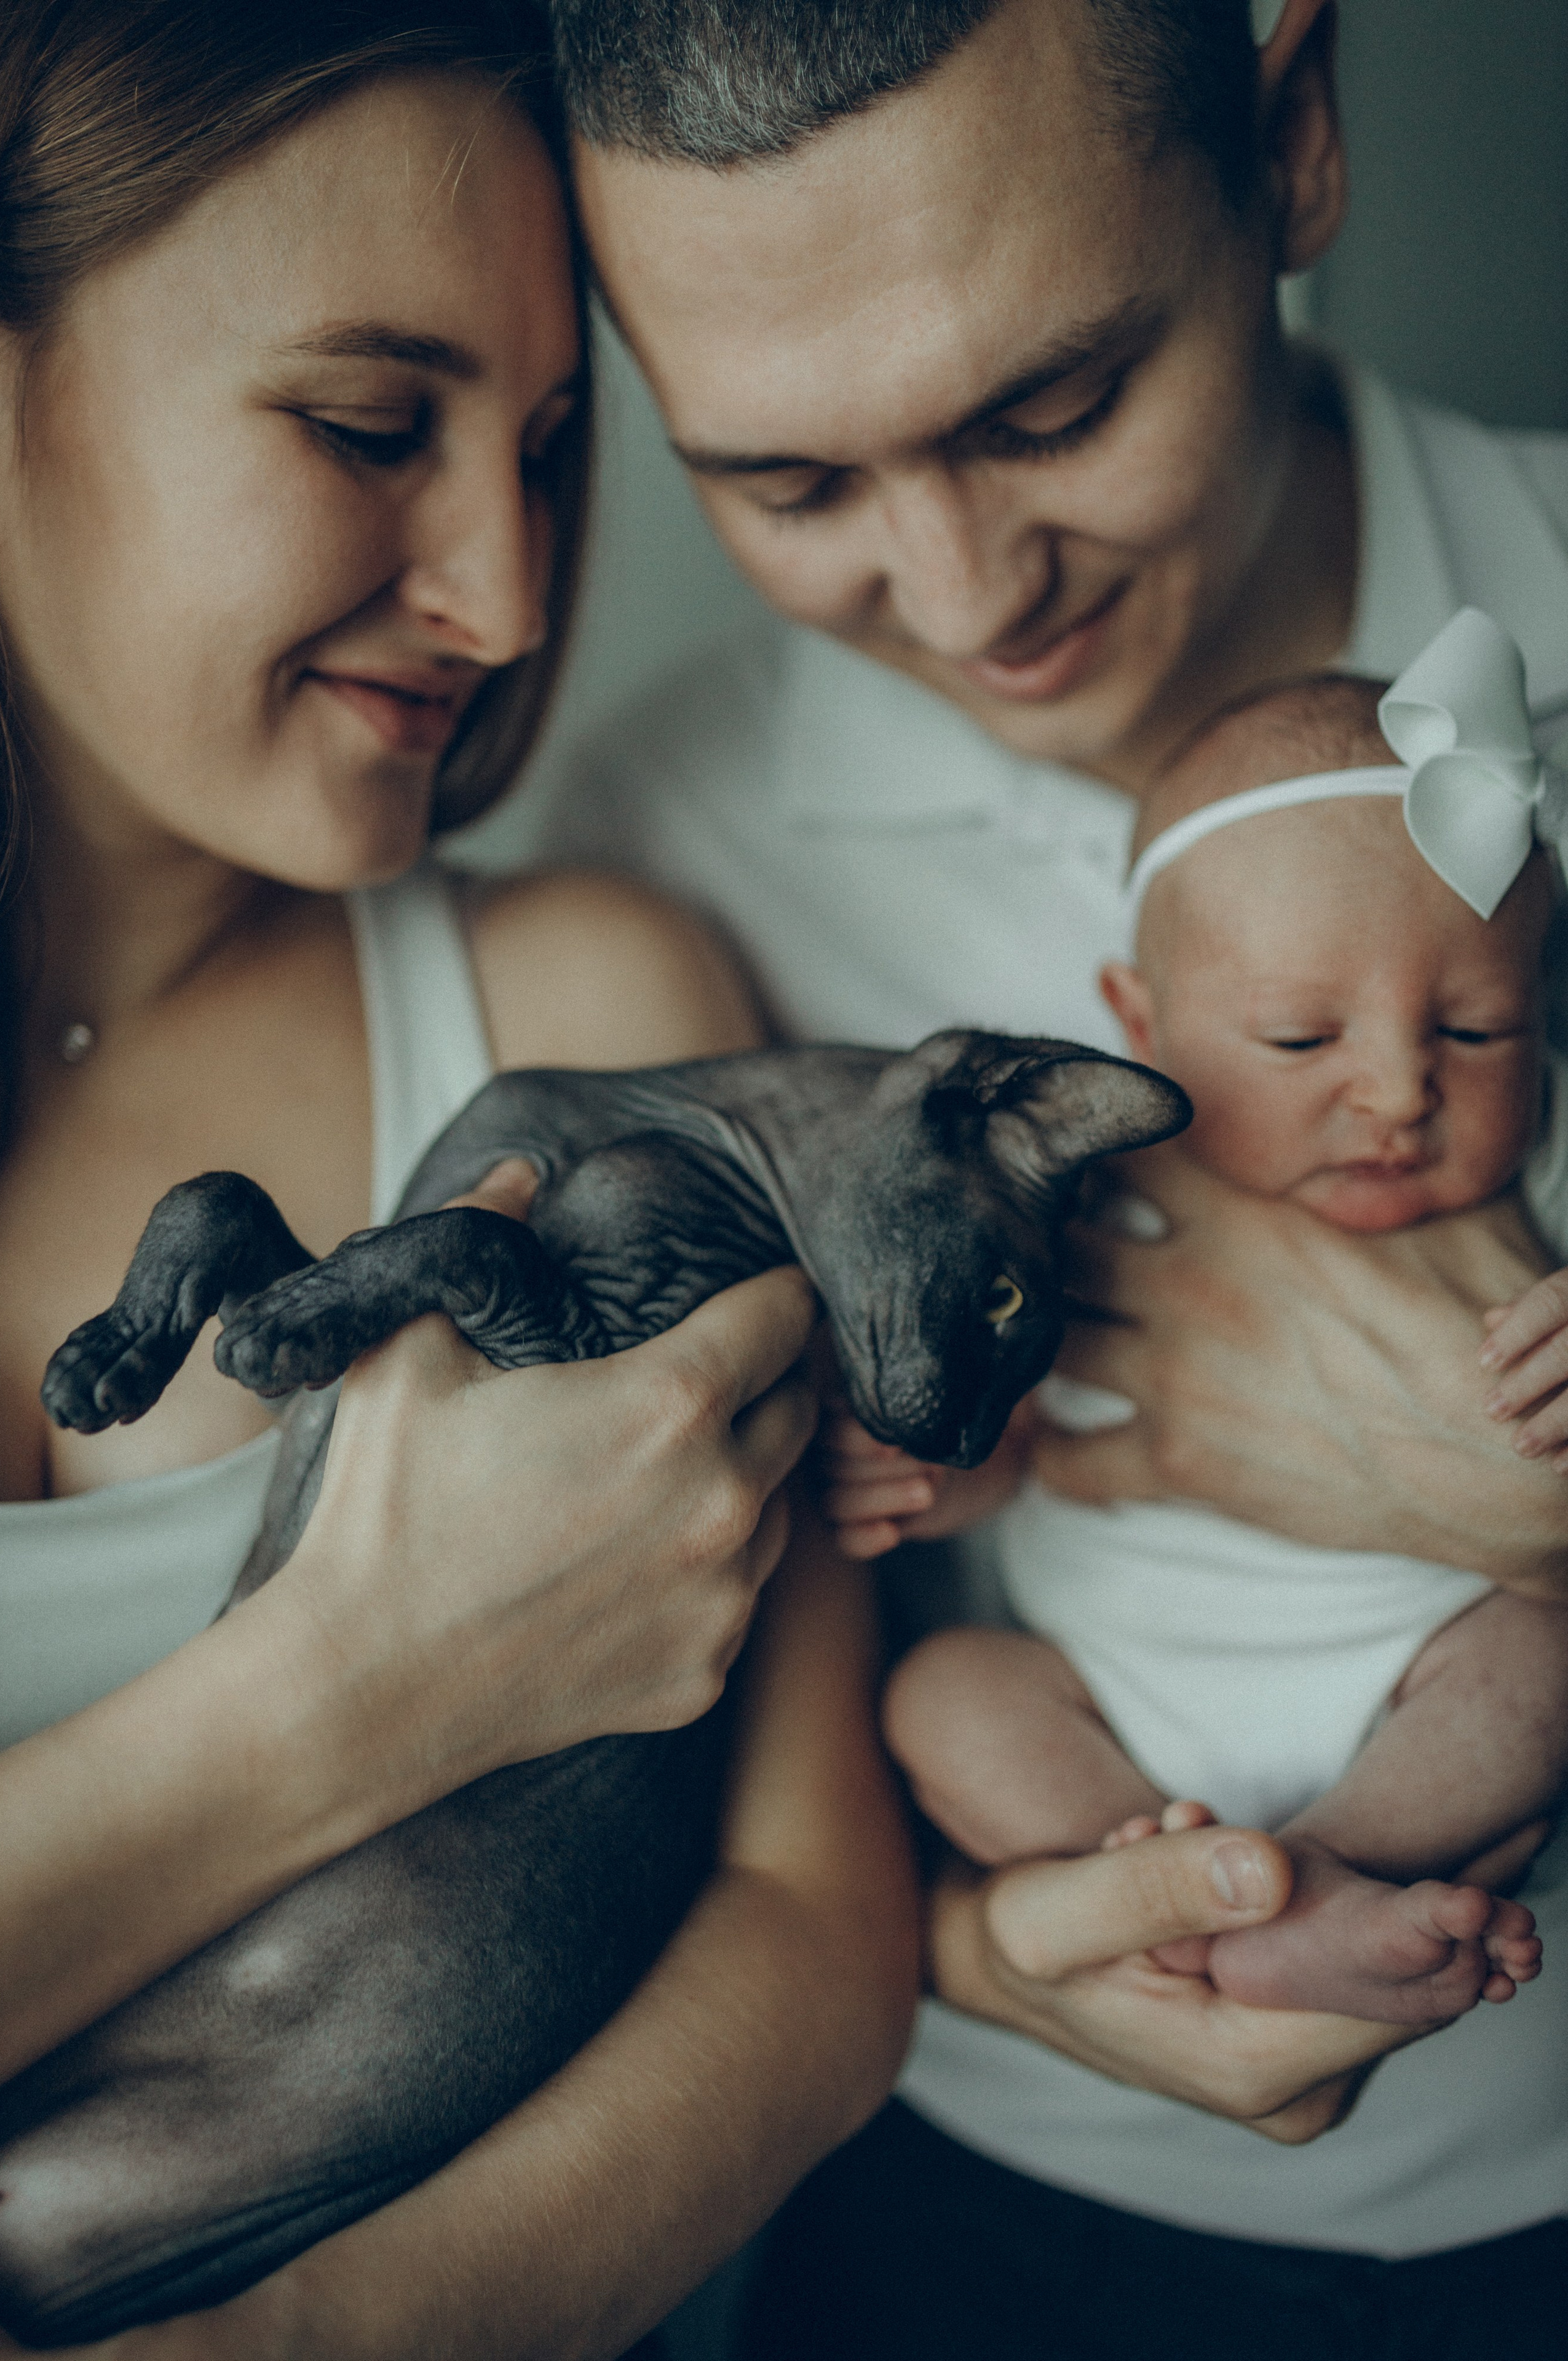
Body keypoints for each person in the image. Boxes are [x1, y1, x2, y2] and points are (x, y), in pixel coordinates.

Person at [536, 0, 1568, 2347]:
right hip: (977, 2205)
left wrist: (1511, 1504)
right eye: (789, 488)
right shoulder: (637, 872)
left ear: (1292, 134)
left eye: (1056, 404)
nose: (969, 591)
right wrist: (1014, 1957)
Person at [0, 6, 930, 2354]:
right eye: (365, 423)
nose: (513, 603)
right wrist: (362, 1686)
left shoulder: (579, 1017)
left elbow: (816, 1934)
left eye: (549, 445)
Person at [882, 648, 1568, 2034]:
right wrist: (923, 1468)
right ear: (1138, 1025)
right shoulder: (1078, 1198)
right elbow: (1004, 1445)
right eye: (1298, 1036)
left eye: (1474, 1027)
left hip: (1418, 1668)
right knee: (947, 1695)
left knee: (1539, 1666)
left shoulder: (1540, 1180)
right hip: (1111, 1702)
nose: (1391, 1091)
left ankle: (1322, 1879)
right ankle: (1179, 1893)